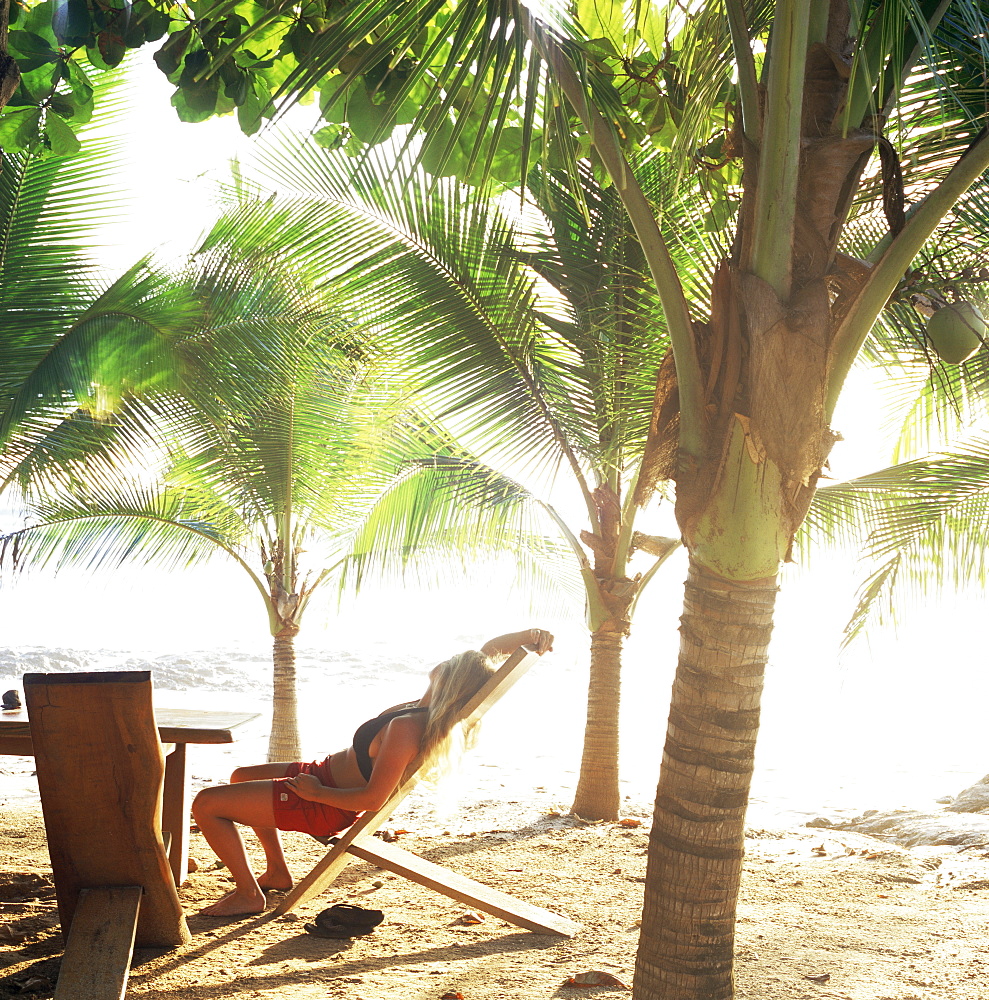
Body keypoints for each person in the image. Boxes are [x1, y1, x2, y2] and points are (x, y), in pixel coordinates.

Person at [192, 627, 554, 915]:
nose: (450, 658)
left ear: (452, 678)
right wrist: (529, 636)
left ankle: (247, 895)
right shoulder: (421, 707)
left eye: (454, 661)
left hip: (324, 802)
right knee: (242, 775)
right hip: (321, 774)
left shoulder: (409, 727)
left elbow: (371, 798)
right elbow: (486, 653)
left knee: (206, 804)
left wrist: (316, 793)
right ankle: (276, 872)